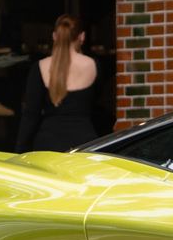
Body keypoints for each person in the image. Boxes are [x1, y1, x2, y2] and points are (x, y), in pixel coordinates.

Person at [15, 16, 113, 154]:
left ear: (55, 36)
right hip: (84, 143)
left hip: (48, 145)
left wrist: (20, 150)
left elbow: (31, 115)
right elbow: (97, 97)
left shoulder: (40, 67)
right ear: (82, 36)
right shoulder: (93, 64)